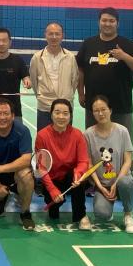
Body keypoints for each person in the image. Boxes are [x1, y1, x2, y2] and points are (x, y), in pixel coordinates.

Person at [77, 7, 133, 137]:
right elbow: (80, 69)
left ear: (117, 23)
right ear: (99, 22)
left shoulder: (128, 45)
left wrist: (125, 56)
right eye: (104, 20)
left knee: (122, 143)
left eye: (111, 21)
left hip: (121, 105)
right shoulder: (88, 44)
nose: (107, 24)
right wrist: (81, 93)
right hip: (94, 105)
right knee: (93, 142)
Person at [0, 97, 36, 231]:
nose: (2, 117)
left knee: (26, 174)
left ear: (13, 115)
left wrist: (0, 168)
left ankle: (25, 213)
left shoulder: (23, 131)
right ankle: (1, 198)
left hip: (16, 174)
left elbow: (26, 160)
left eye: (6, 113)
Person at [35, 98, 92, 230]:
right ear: (51, 114)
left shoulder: (77, 135)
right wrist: (52, 189)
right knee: (53, 213)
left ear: (70, 116)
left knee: (79, 181)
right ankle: (56, 202)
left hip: (70, 177)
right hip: (52, 179)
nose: (61, 117)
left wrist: (78, 174)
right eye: (57, 112)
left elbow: (83, 161)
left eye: (65, 113)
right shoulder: (42, 136)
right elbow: (41, 168)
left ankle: (81, 216)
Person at [84, 95, 133, 234]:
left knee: (126, 182)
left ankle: (128, 214)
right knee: (102, 214)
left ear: (110, 110)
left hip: (121, 180)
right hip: (103, 184)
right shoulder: (88, 134)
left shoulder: (122, 131)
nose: (100, 113)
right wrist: (99, 186)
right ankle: (108, 208)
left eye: (103, 109)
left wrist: (116, 183)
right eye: (96, 111)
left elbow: (128, 160)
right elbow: (89, 164)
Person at [29, 21, 79, 131]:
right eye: (51, 34)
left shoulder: (70, 57)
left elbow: (74, 81)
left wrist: (67, 95)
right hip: (45, 107)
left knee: (65, 139)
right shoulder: (37, 57)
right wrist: (41, 96)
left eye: (57, 34)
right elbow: (34, 82)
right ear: (45, 35)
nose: (54, 37)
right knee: (44, 138)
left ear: (62, 36)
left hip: (65, 107)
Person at [0, 27, 30, 121]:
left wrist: (27, 81)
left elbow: (26, 77)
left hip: (14, 110)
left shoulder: (18, 60)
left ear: (10, 42)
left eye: (4, 40)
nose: (1, 43)